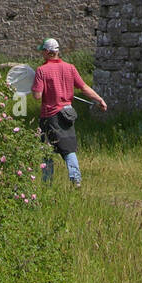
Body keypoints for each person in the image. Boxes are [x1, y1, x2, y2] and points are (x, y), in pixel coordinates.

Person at [30, 38, 107, 186]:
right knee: (69, 149)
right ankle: (76, 180)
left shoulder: (42, 70)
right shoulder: (70, 68)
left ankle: (47, 183)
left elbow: (37, 96)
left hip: (50, 116)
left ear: (47, 52)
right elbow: (84, 88)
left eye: (43, 51)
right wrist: (99, 100)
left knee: (46, 151)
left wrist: (33, 88)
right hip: (68, 114)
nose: (42, 54)